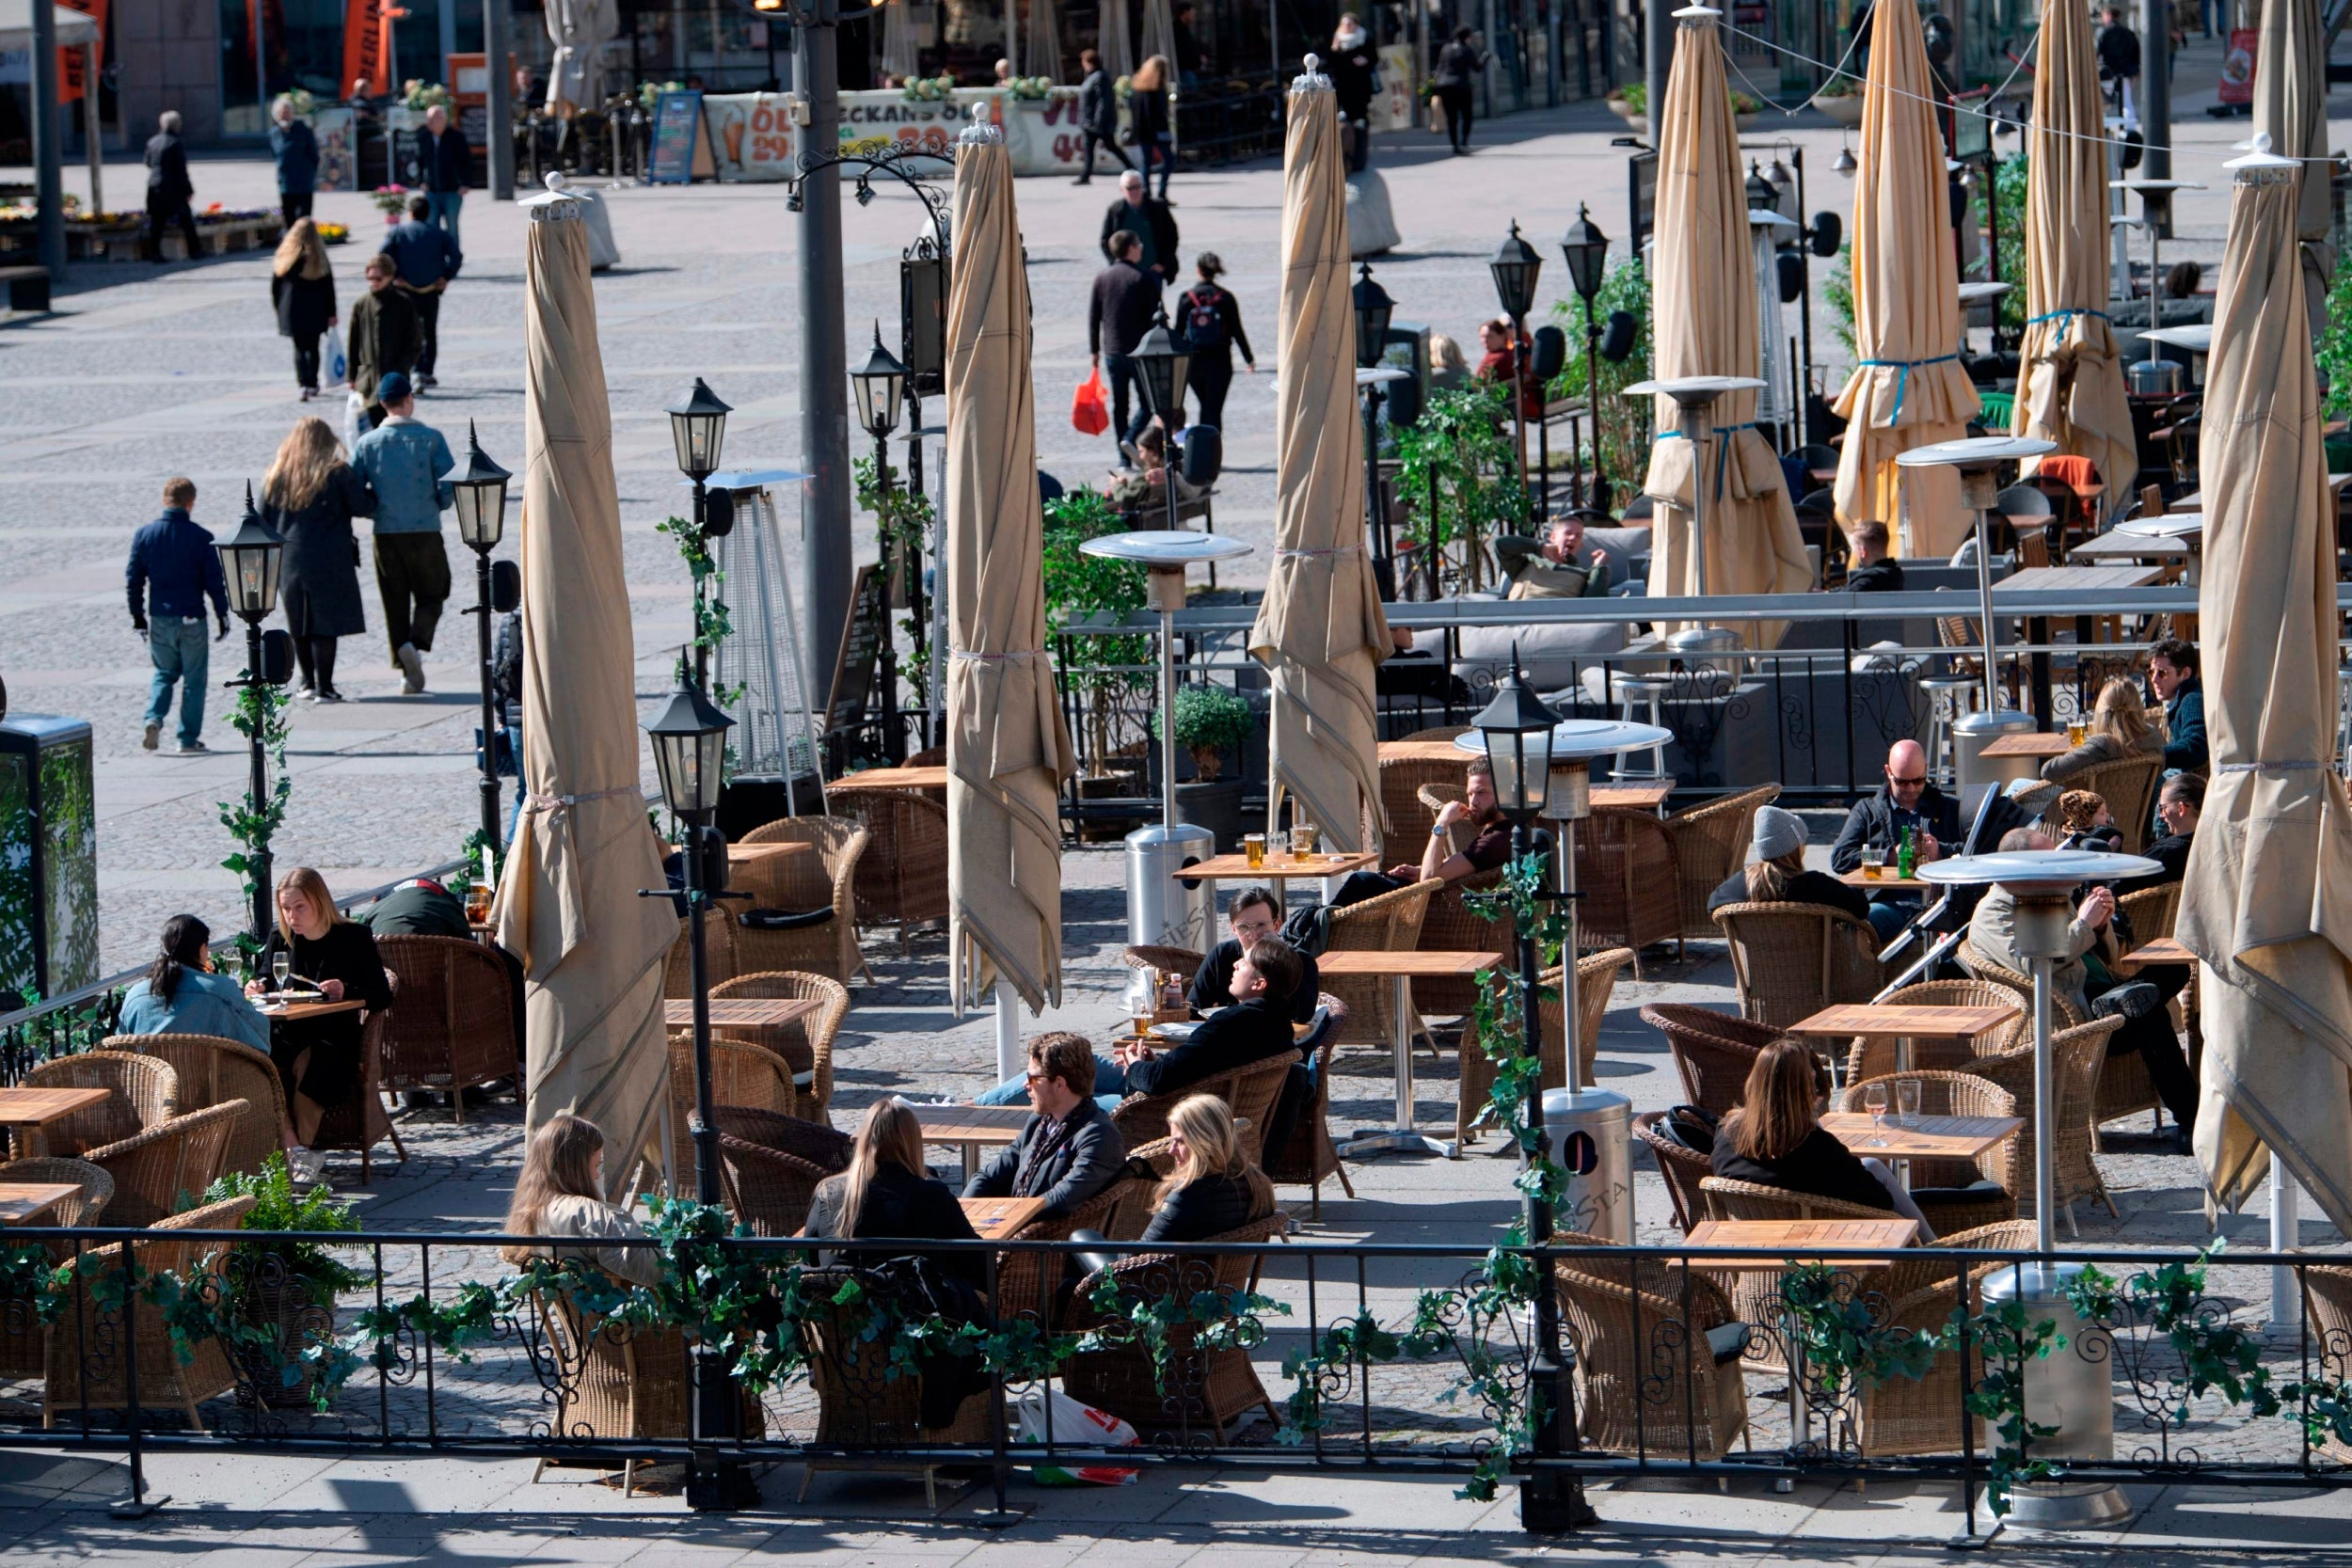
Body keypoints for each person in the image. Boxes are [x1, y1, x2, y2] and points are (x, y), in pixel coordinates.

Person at [1969, 828, 2197, 1144]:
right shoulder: (1995, 912)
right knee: (2149, 1015)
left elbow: (2109, 956)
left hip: (2100, 990)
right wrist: (2084, 925)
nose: (2056, 868)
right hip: (2070, 1012)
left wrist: (2102, 925)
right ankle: (2192, 1122)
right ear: (2016, 863)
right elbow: (2034, 965)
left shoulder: (2050, 895)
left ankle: (2122, 1001)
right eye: (2046, 861)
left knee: (2173, 972)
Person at [246, 867, 396, 1179]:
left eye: (299, 907)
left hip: (334, 1034)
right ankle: (296, 1150)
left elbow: (382, 994)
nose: (291, 916)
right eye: (285, 908)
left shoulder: (352, 938)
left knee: (314, 1066)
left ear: (319, 901)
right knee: (260, 1066)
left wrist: (347, 990)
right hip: (287, 1031)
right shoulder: (281, 939)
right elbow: (265, 976)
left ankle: (298, 1155)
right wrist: (257, 985)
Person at [1711, 1038, 1934, 1235]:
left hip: (1749, 1247)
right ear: (1805, 1089)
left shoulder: (1726, 1134)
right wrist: (1812, 1124)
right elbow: (1880, 1199)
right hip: (1820, 1252)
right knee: (1874, 1166)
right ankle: (1937, 1253)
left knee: (1871, 1165)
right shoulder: (1812, 1146)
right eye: (1812, 1079)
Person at [348, 372, 454, 693]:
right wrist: (439, 503)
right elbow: (450, 482)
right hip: (425, 530)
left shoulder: (367, 444)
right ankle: (416, 641)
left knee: (394, 601)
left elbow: (353, 489)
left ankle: (405, 672)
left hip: (386, 533)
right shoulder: (431, 439)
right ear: (410, 400)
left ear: (382, 404)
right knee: (435, 591)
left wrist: (374, 509)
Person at [260, 417, 378, 702]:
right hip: (330, 555)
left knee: (299, 621)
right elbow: (364, 506)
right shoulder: (336, 472)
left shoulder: (277, 475)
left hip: (290, 557)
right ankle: (325, 686)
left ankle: (307, 682)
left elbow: (263, 520)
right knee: (326, 623)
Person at [810, 1100, 987, 1282]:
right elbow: (979, 1265)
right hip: (916, 1306)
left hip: (840, 1303)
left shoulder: (829, 1191)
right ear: (913, 1143)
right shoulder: (932, 1195)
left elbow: (810, 1257)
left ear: (864, 1141)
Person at [964, 1032, 1128, 1215]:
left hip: (1045, 1238)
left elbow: (1061, 1200)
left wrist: (1007, 1216)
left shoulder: (1099, 1135)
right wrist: (963, 1214)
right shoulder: (1039, 1121)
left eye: (1033, 1078)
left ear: (1059, 1084)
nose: (1026, 1085)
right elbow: (988, 1176)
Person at [125, 477, 229, 754]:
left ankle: (154, 718)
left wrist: (138, 616)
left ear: (165, 500)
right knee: (194, 680)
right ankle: (187, 738)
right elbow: (214, 582)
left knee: (164, 673)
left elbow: (134, 580)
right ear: (190, 502)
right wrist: (222, 614)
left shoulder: (144, 535)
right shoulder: (201, 537)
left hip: (160, 617)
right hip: (192, 617)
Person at [501, 1114, 660, 1286]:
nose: (596, 1175)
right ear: (577, 1168)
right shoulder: (588, 1214)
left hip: (575, 1308)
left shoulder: (530, 1214)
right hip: (615, 1308)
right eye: (595, 1166)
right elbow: (655, 1270)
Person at [117, 914, 272, 1054]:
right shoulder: (220, 991)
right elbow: (259, 1037)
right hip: (211, 1084)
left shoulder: (135, 995)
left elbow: (120, 1048)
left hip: (152, 1084)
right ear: (202, 949)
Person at [1136, 1094, 1277, 1243]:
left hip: (1179, 1267)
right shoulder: (1258, 1183)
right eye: (1171, 1141)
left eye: (1181, 1142)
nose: (1171, 1150)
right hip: (1223, 1266)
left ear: (1205, 1142)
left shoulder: (1187, 1194)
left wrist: (1109, 1260)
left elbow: (1140, 1254)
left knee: (1107, 1250)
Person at [1708, 805, 1873, 923]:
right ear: (1795, 847)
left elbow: (1712, 904)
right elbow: (1861, 908)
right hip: (1813, 967)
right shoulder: (1814, 885)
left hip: (1756, 969)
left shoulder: (1742, 883)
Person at [1190, 887, 1321, 1025]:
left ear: (1276, 925)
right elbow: (1195, 1008)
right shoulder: (1222, 954)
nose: (1253, 935)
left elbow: (1303, 1015)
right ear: (1233, 928)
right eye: (1244, 927)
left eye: (1261, 925)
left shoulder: (1299, 960)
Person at [379, 195, 463, 391]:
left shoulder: (398, 233)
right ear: (428, 213)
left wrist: (394, 276)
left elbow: (383, 255)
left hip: (405, 290)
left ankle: (408, 368)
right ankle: (426, 371)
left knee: (406, 330)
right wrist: (446, 276)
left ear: (410, 213)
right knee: (429, 330)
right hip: (431, 289)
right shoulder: (438, 233)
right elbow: (457, 256)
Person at [1089, 230, 1163, 445]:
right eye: (1138, 244)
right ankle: (1130, 439)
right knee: (1148, 404)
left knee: (1120, 406)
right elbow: (1157, 317)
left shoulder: (1102, 278)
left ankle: (1123, 455)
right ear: (1130, 248)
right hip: (1140, 353)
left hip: (1113, 351)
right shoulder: (1143, 278)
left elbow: (1094, 317)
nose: (1141, 248)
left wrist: (1094, 351)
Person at [1176, 253, 1253, 428]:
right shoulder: (1226, 298)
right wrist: (1248, 358)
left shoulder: (1186, 298)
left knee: (1205, 404)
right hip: (1220, 360)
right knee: (1214, 408)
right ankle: (1212, 445)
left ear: (1198, 270)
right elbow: (1237, 330)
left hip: (1195, 361)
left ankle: (1205, 445)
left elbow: (1178, 332)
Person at [348, 254, 421, 426]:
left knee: (396, 425)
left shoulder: (403, 303)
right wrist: (351, 375)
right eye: (370, 278)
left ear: (390, 276)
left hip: (395, 379)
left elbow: (415, 343)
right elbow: (353, 342)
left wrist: (401, 368)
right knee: (371, 427)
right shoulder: (362, 304)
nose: (373, 282)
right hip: (368, 380)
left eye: (378, 278)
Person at [2042, 676, 2162, 782]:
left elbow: (2048, 771)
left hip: (2095, 805)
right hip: (2142, 806)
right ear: (2138, 707)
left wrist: (2075, 752)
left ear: (2102, 711)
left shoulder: (2102, 745)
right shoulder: (2153, 736)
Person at [271, 217, 339, 403]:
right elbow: (328, 287)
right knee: (313, 347)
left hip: (291, 308)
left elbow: (275, 287)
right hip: (315, 309)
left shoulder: (285, 257)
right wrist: (332, 312)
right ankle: (313, 382)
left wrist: (279, 309)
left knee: (299, 348)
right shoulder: (319, 256)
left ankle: (302, 384)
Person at [2117, 772, 2201, 894]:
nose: (2161, 815)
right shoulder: (2213, 844)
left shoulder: (2166, 853)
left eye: (2163, 808)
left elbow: (2117, 887)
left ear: (2181, 808)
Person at [1502, 512, 1612, 599]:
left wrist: (1598, 567)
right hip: (1516, 619)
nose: (1573, 538)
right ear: (1553, 537)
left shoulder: (1584, 574)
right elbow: (1500, 545)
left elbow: (1593, 603)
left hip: (1556, 622)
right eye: (1568, 533)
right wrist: (1540, 548)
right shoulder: (1529, 561)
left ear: (1580, 545)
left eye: (1578, 536)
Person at [1099, 168, 1180, 284]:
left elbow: (1172, 237)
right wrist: (1115, 263)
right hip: (1125, 273)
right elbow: (1105, 240)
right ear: (1122, 189)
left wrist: (1164, 263)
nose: (1134, 192)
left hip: (1152, 271)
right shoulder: (1115, 210)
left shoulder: (1158, 208)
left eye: (1137, 187)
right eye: (1130, 188)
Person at [143, 109, 200, 262]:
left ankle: (155, 253)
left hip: (154, 185)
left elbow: (147, 163)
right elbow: (181, 170)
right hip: (172, 187)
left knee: (157, 223)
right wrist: (188, 190)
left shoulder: (152, 141)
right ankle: (195, 251)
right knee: (186, 220)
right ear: (176, 125)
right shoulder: (175, 143)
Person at [2147, 637, 2207, 773]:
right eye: (2151, 671)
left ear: (2185, 673)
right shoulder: (2182, 699)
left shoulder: (2192, 700)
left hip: (2186, 785)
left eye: (2162, 673)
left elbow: (2195, 747)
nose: (2153, 679)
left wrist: (2156, 755)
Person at [1327, 14, 1379, 171]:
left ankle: (1360, 157)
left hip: (1360, 87)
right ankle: (1346, 156)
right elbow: (1331, 63)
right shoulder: (1337, 39)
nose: (1347, 27)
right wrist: (1334, 50)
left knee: (1360, 121)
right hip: (1343, 88)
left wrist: (1366, 61)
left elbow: (1374, 57)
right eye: (1345, 24)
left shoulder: (1364, 38)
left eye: (1350, 24)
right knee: (1344, 122)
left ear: (1356, 24)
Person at [1073, 49, 1133, 183]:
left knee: (1110, 146)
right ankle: (1085, 175)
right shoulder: (1093, 77)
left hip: (1098, 122)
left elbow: (1104, 100)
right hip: (1089, 121)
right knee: (1089, 148)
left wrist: (1098, 119)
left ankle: (1131, 168)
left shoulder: (1100, 77)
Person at [420, 104, 470, 245]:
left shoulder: (456, 137)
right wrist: (420, 181)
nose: (429, 122)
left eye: (432, 119)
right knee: (431, 226)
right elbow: (420, 160)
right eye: (428, 119)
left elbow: (466, 161)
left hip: (453, 191)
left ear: (442, 119)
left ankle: (454, 259)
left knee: (452, 228)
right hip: (432, 190)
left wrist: (465, 183)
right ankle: (435, 259)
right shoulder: (425, 137)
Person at [1473, 317, 1542, 421]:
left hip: (1510, 406)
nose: (1485, 341)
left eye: (1489, 337)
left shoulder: (1497, 359)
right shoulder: (1508, 354)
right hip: (1518, 402)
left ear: (1502, 336)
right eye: (1482, 337)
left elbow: (1479, 384)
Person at [362, 876, 471, 937]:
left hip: (384, 971)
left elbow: (356, 937)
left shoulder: (375, 909)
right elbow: (468, 941)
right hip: (436, 970)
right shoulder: (446, 905)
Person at [1130, 55, 1176, 201]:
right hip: (1158, 129)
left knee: (1146, 163)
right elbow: (1160, 112)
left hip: (1143, 130)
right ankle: (1161, 192)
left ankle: (1146, 193)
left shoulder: (1138, 87)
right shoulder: (1157, 89)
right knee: (1168, 160)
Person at [1433, 27, 1485, 154]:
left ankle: (1455, 145)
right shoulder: (1467, 49)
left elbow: (1440, 67)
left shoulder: (1446, 48)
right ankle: (1464, 142)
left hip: (1444, 85)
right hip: (1461, 86)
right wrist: (1485, 57)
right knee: (1467, 115)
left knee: (1452, 117)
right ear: (1466, 37)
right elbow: (1477, 68)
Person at [269, 97, 320, 225]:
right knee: (289, 219)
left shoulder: (303, 130)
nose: (284, 116)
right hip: (286, 183)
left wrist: (310, 173)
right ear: (276, 116)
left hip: (304, 182)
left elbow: (314, 155)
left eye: (287, 112)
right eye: (281, 113)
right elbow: (275, 155)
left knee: (304, 220)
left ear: (292, 114)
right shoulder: (273, 134)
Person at [2096, 6, 2141, 124]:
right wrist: (2135, 71)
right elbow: (2136, 52)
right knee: (2127, 101)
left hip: (2107, 72)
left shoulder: (2103, 31)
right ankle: (2130, 129)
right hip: (2125, 71)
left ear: (2108, 16)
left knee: (2103, 102)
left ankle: (2103, 128)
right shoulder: (2128, 32)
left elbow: (2097, 51)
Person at [1842, 519, 1904, 593]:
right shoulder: (1896, 574)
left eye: (1854, 548)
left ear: (1863, 551)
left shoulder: (1866, 582)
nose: (1854, 551)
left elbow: (1841, 599)